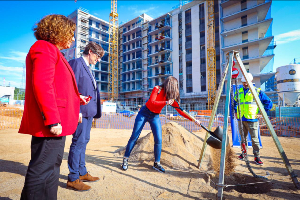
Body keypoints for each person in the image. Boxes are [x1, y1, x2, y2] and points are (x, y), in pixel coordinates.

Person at [18, 14, 89, 200]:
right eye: (71, 34)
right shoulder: (44, 48)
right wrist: (52, 119)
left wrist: (76, 98)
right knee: (42, 170)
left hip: (57, 123)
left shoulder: (55, 52)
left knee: (52, 168)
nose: (73, 39)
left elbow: (57, 86)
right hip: (50, 124)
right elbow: (42, 84)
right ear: (59, 31)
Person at [121, 76, 199, 173]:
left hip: (155, 116)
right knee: (134, 136)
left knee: (158, 139)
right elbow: (152, 102)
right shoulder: (157, 89)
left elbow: (181, 111)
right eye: (175, 87)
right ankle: (125, 159)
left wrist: (194, 120)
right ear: (170, 85)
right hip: (144, 113)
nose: (175, 90)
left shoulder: (170, 98)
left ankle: (156, 163)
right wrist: (165, 102)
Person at [67, 42, 104, 191]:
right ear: (90, 52)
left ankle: (82, 172)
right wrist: (77, 111)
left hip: (89, 112)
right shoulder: (77, 63)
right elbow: (72, 88)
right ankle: (73, 178)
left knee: (84, 141)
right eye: (98, 56)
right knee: (78, 142)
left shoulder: (88, 68)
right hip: (81, 111)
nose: (99, 60)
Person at [234, 73, 273, 165]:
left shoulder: (257, 91)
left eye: (247, 82)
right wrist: (236, 112)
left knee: (254, 139)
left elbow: (268, 103)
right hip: (241, 119)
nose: (245, 84)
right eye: (244, 82)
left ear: (251, 81)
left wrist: (261, 113)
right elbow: (235, 103)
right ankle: (244, 154)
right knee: (243, 139)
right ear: (242, 82)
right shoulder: (238, 91)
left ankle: (257, 156)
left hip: (252, 119)